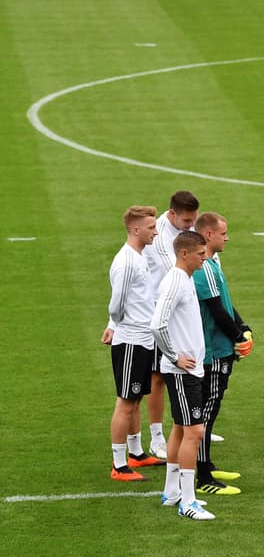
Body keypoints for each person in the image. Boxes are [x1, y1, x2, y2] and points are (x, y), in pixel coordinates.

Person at [151, 230, 215, 521]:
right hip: (182, 371)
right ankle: (188, 501)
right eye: (201, 254)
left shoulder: (185, 278)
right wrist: (175, 356)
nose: (205, 258)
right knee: (195, 432)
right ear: (185, 254)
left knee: (179, 428)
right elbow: (158, 324)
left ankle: (172, 491)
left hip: (188, 369)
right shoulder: (176, 281)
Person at [132, 190, 200, 457]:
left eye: (193, 220)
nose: (190, 226)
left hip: (180, 309)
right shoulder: (159, 232)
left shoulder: (186, 231)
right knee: (159, 375)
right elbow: (171, 267)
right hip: (159, 310)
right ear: (172, 214)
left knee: (185, 369)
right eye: (186, 221)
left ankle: (190, 426)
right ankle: (158, 437)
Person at [192, 212, 252, 495]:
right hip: (213, 350)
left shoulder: (212, 263)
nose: (227, 238)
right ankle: (202, 476)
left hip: (219, 347)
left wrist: (243, 326)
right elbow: (216, 310)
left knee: (209, 410)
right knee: (206, 410)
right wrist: (238, 338)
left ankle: (205, 463)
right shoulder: (204, 268)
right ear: (208, 235)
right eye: (224, 233)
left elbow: (225, 304)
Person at [105, 206, 165, 482]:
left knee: (136, 397)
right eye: (151, 227)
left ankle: (136, 453)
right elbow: (116, 304)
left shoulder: (140, 256)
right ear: (134, 229)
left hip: (143, 337)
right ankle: (119, 465)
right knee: (125, 401)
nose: (155, 231)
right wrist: (117, 325)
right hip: (131, 339)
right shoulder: (127, 261)